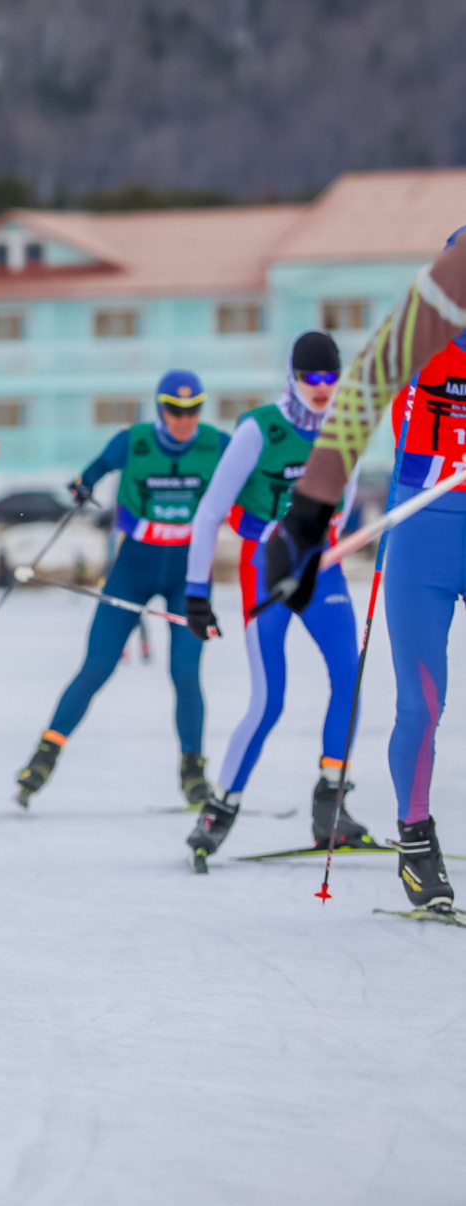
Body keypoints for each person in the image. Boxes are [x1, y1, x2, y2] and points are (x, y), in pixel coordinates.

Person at [259, 230, 466, 914]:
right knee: (422, 704)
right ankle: (415, 843)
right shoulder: (426, 326)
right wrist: (308, 517)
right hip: (423, 536)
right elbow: (360, 396)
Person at [181, 333, 374, 870]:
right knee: (270, 700)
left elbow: (348, 496)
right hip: (263, 565)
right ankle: (220, 809)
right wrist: (197, 593)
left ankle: (331, 801)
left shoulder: (346, 426)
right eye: (311, 378)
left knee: (348, 675)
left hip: (319, 567)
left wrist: (330, 541)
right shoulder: (258, 428)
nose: (321, 389)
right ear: (293, 376)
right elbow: (209, 512)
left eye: (330, 379)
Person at [16, 371, 223, 810]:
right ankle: (44, 756)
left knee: (186, 673)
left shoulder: (217, 444)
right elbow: (91, 472)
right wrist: (82, 485)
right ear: (160, 407)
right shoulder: (133, 440)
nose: (184, 419)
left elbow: (258, 477)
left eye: (193, 410)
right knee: (97, 666)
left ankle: (193, 773)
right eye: (174, 409)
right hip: (134, 568)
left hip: (189, 575)